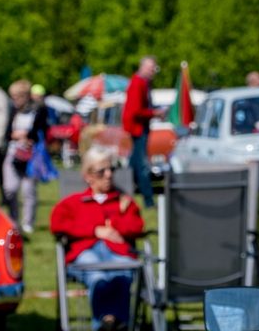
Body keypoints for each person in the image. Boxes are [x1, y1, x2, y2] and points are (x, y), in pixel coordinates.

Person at [50, 149, 144, 330]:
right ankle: (109, 321)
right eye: (102, 171)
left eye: (111, 170)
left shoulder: (123, 201)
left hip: (117, 252)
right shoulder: (74, 203)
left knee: (122, 273)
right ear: (88, 176)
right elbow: (58, 226)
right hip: (85, 252)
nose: (108, 175)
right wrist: (94, 230)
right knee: (98, 277)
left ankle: (110, 322)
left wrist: (116, 222)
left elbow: (137, 227)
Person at [3, 80, 48, 235]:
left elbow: (42, 131)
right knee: (10, 189)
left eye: (17, 96)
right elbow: (7, 133)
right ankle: (13, 220)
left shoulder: (38, 110)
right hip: (13, 152)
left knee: (28, 190)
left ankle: (28, 223)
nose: (15, 100)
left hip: (31, 155)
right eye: (13, 97)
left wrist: (27, 136)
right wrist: (14, 136)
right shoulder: (12, 111)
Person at [122, 55, 164, 207]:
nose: (153, 71)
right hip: (137, 129)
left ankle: (123, 192)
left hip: (139, 128)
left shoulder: (143, 83)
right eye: (151, 68)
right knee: (143, 166)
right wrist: (154, 113)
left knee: (133, 165)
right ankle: (148, 200)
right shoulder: (138, 83)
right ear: (144, 67)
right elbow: (135, 111)